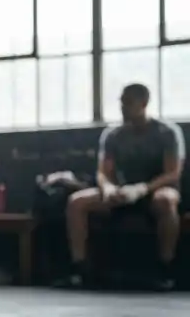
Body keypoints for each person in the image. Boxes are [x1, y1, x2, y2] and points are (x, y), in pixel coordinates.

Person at [63, 83, 185, 291]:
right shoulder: (112, 135)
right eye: (121, 102)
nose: (122, 107)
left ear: (144, 103)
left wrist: (142, 189)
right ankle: (80, 270)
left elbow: (172, 173)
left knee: (165, 201)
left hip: (154, 191)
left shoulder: (167, 132)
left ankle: (166, 269)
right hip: (120, 193)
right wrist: (109, 189)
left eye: (128, 102)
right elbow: (103, 172)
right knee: (77, 202)